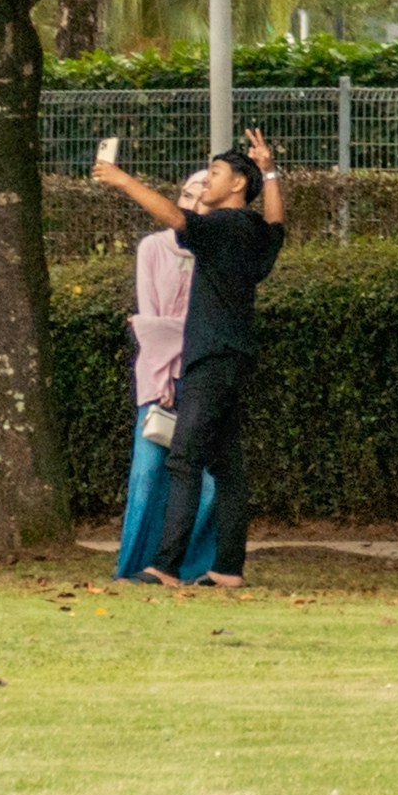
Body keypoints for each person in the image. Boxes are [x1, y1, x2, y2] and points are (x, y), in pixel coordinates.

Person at [91, 127, 286, 586]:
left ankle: (166, 567)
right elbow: (278, 225)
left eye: (214, 174)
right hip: (233, 355)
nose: (206, 183)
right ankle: (228, 571)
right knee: (228, 466)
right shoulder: (255, 232)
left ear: (237, 184)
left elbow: (178, 220)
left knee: (184, 460)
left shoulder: (224, 226)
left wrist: (122, 180)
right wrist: (270, 171)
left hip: (211, 356)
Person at [108, 175, 202, 583]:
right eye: (186, 195)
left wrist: (172, 331)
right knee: (148, 470)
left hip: (200, 373)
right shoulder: (152, 248)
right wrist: (163, 373)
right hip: (156, 375)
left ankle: (196, 566)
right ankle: (137, 562)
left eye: (202, 197)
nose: (192, 203)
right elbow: (149, 322)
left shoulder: (215, 252)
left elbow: (203, 326)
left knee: (205, 475)